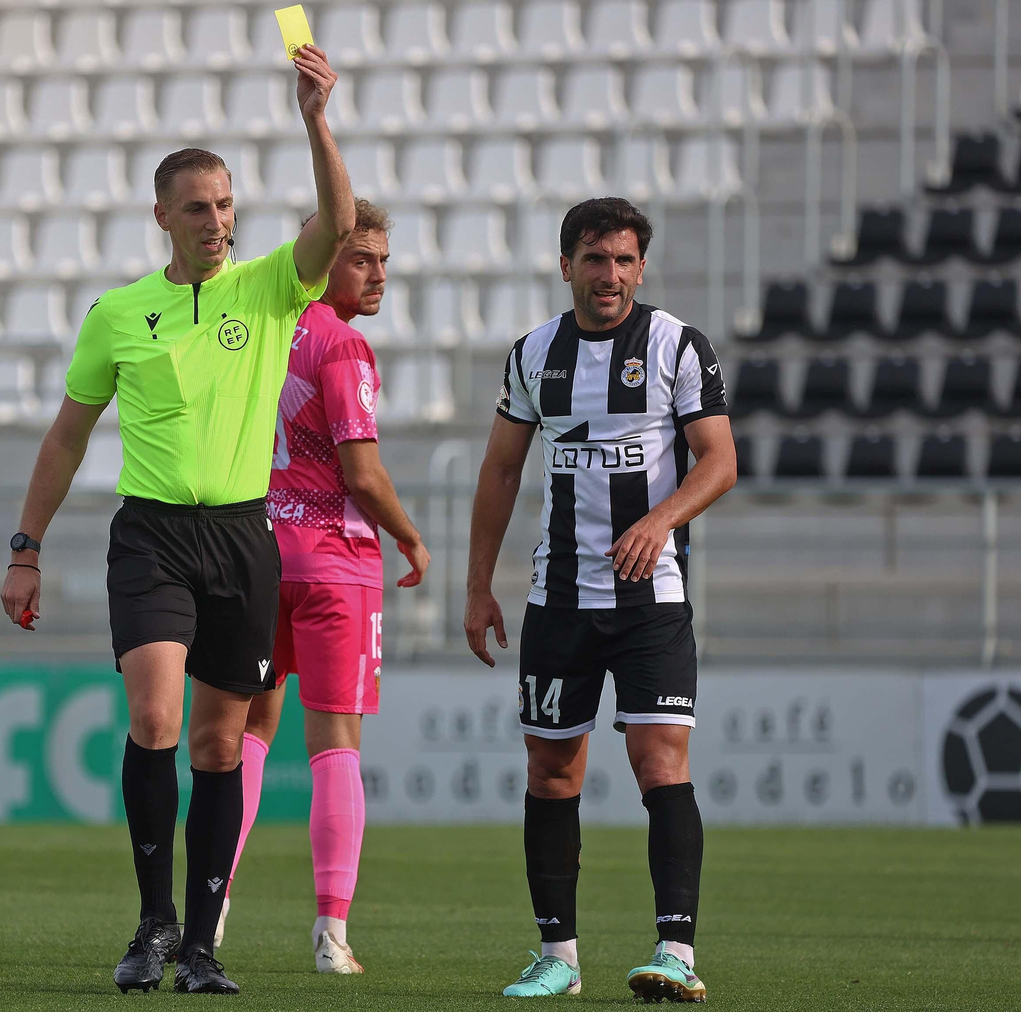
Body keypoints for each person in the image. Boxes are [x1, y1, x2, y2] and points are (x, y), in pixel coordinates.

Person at [0, 45, 354, 996]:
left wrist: (315, 118)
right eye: (197, 207)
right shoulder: (118, 313)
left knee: (218, 745)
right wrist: (26, 550)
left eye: (227, 204)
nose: (216, 221)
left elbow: (342, 223)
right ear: (162, 216)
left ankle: (202, 945)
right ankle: (152, 923)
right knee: (155, 716)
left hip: (244, 539)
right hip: (152, 535)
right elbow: (66, 440)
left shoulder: (273, 288)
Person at [462, 197, 737, 1003]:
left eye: (622, 260)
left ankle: (676, 952)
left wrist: (661, 519)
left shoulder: (677, 345)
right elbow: (501, 472)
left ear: (640, 268)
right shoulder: (533, 354)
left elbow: (717, 461)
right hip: (560, 599)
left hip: (652, 599)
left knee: (661, 764)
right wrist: (479, 585)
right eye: (594, 259)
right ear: (566, 265)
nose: (609, 275)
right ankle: (559, 957)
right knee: (551, 771)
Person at [215, 199, 429, 975]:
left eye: (383, 262)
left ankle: (213, 906)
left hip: (256, 558)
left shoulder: (260, 327)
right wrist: (408, 534)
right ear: (328, 252)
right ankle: (331, 934)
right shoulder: (341, 347)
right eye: (362, 258)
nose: (377, 276)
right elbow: (362, 476)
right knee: (334, 745)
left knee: (243, 737)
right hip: (334, 565)